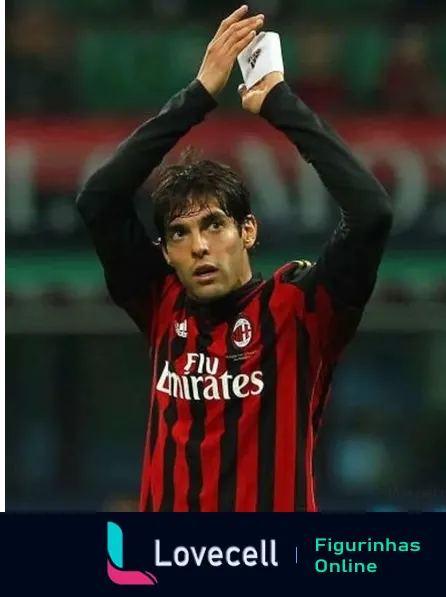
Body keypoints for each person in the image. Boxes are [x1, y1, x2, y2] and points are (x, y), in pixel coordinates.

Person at [76, 5, 392, 512]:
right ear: (166, 252)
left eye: (214, 225)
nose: (199, 245)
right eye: (180, 233)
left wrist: (279, 102)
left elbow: (371, 212)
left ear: (248, 231)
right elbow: (97, 200)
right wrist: (198, 95)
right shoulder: (161, 302)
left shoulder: (300, 311)